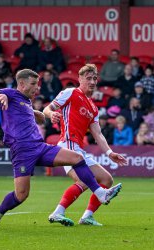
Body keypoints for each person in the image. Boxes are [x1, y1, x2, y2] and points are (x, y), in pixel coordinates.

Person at [0, 69, 123, 229]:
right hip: (22, 152)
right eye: (33, 84)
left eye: (38, 84)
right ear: (21, 84)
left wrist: (36, 113)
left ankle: (100, 193)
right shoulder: (11, 94)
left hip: (40, 147)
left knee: (77, 158)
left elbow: (24, 111)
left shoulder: (27, 102)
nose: (37, 88)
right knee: (21, 195)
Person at [43, 64, 127, 226]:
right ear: (79, 79)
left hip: (77, 148)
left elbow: (98, 134)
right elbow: (48, 108)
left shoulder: (93, 108)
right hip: (67, 145)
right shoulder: (70, 93)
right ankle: (58, 212)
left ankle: (87, 216)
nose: (92, 82)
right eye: (88, 78)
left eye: (94, 78)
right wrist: (51, 114)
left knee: (106, 179)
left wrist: (110, 153)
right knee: (84, 180)